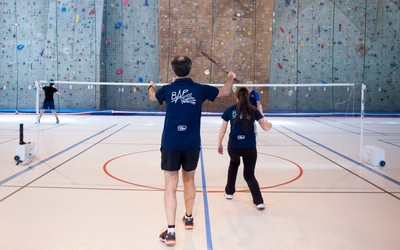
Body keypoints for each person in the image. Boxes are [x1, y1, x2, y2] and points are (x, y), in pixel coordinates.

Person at [148, 55, 236, 246]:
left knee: (170, 185)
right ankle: (188, 218)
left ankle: (170, 232)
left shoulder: (168, 90)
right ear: (189, 69)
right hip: (191, 144)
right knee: (189, 180)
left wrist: (151, 86)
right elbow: (226, 91)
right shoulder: (199, 89)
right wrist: (230, 76)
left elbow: (153, 96)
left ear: (173, 70)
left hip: (171, 144)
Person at [217, 87, 272, 210]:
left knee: (233, 164)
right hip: (249, 148)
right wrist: (270, 123)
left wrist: (219, 144)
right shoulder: (253, 110)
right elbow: (266, 128)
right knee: (249, 175)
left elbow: (222, 131)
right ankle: (259, 202)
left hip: (234, 147)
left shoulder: (230, 110)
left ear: (236, 97)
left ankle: (229, 192)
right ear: (248, 97)